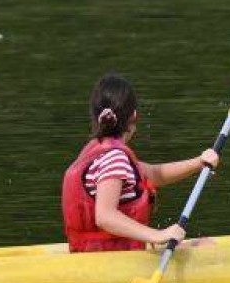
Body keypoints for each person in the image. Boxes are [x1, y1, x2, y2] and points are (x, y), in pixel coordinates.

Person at [62, 73, 219, 253]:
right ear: (134, 116)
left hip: (94, 255)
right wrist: (158, 235)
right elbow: (105, 216)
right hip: (110, 261)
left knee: (201, 244)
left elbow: (154, 174)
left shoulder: (99, 153)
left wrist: (199, 163)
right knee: (207, 247)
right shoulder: (115, 158)